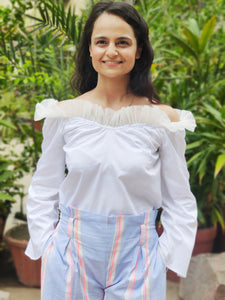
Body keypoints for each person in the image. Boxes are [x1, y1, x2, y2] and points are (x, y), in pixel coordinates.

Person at [25, 1, 197, 299]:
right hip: (70, 253)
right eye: (101, 42)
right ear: (89, 49)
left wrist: (162, 256)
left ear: (139, 50)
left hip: (139, 256)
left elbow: (179, 199)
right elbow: (43, 188)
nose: (111, 51)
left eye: (123, 42)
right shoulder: (65, 114)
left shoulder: (162, 120)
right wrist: (48, 245)